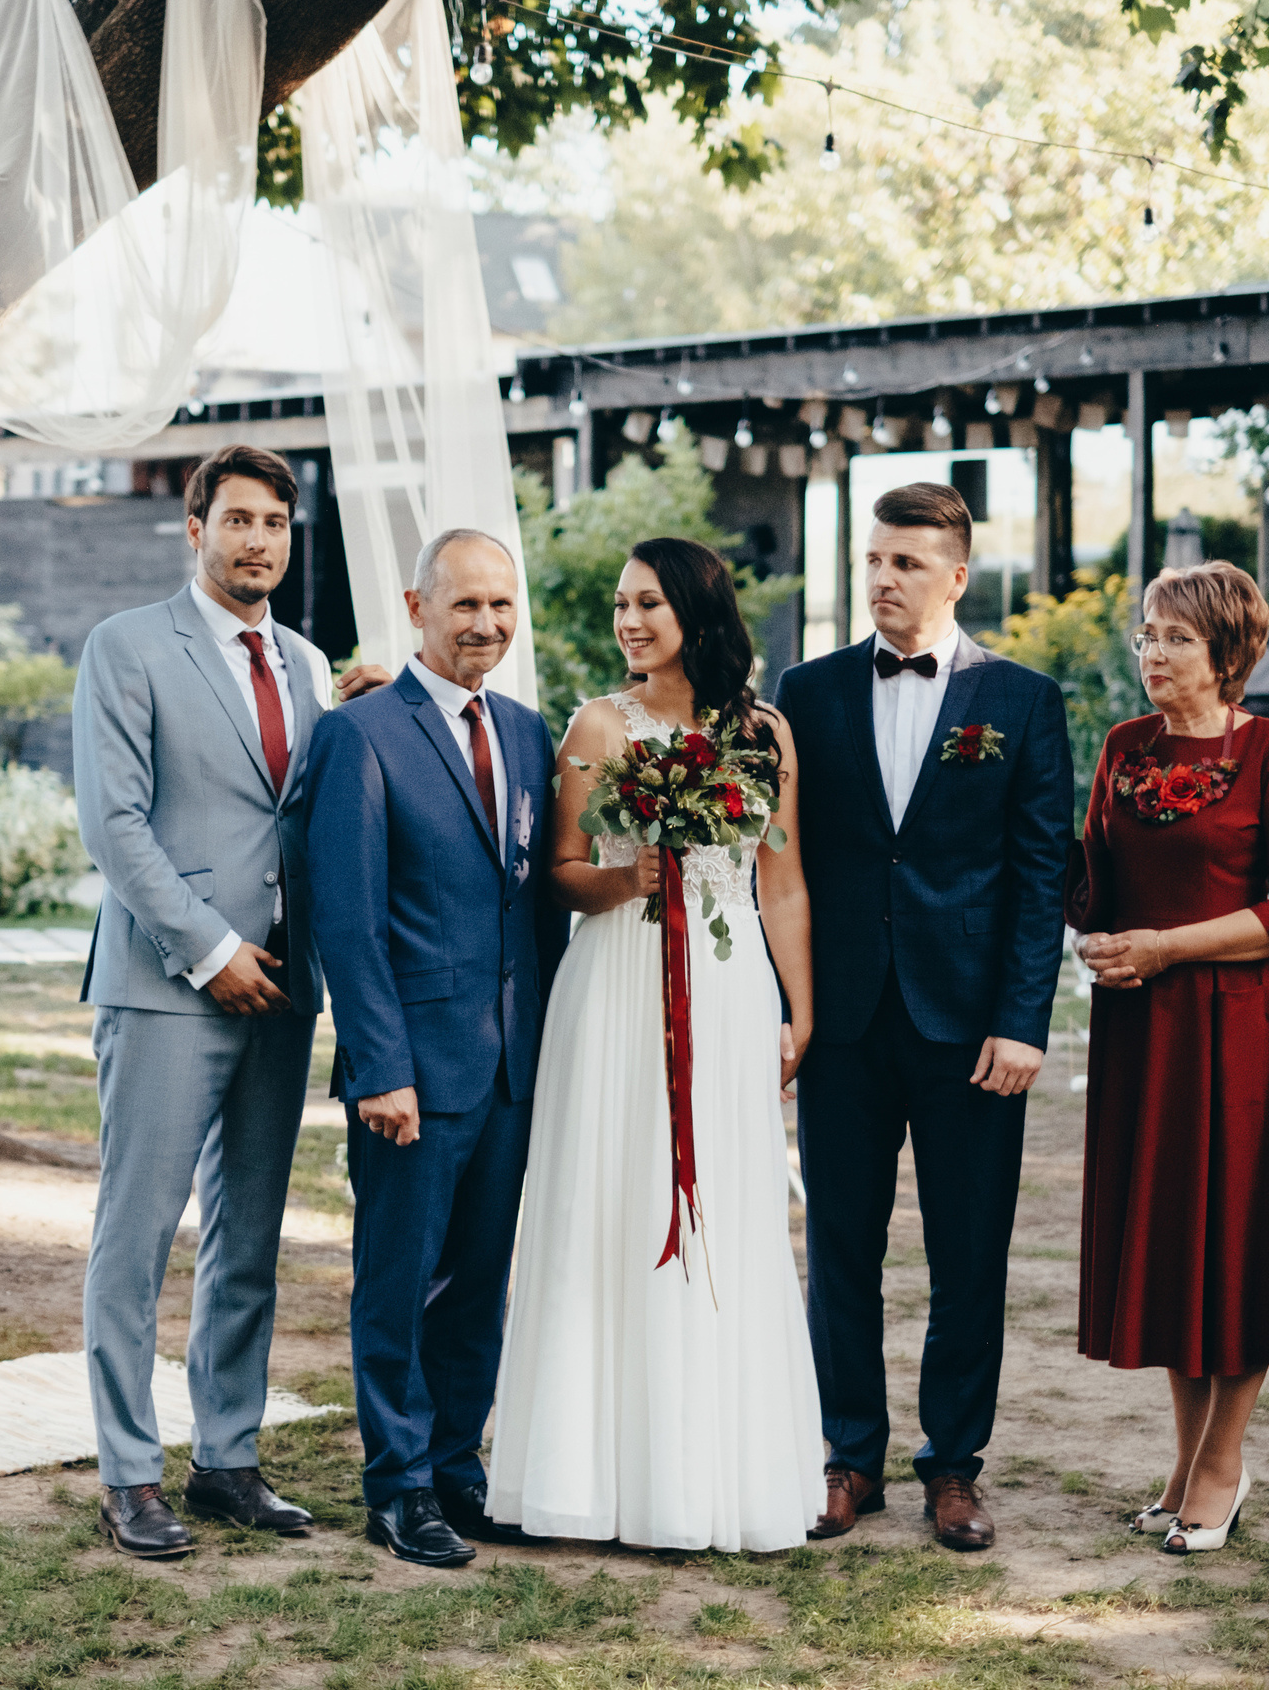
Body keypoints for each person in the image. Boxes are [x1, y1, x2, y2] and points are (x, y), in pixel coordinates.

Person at [70, 444, 382, 1559]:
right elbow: (114, 824)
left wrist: (363, 721)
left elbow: (299, 808)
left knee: (248, 1234)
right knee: (137, 1234)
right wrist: (209, 949)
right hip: (169, 985)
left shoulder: (308, 663)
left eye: (276, 524)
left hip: (284, 986)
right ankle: (128, 1475)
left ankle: (228, 1460)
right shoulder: (126, 647)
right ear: (195, 527)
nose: (258, 541)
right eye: (238, 519)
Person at [486, 537, 825, 1552]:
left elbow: (781, 883)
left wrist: (798, 1009)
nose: (628, 622)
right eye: (621, 604)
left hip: (725, 988)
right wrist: (623, 878)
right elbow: (558, 869)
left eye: (648, 604)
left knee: (726, 1202)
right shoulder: (599, 723)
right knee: (607, 1202)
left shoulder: (764, 731)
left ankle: (710, 1474)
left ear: (696, 612)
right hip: (618, 984)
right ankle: (588, 1475)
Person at [773, 481, 1070, 1550]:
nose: (883, 579)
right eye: (874, 560)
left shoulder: (1022, 701)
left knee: (970, 1251)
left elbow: (1040, 872)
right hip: (844, 1020)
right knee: (840, 1248)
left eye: (905, 563)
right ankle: (849, 1455)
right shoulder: (805, 692)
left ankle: (953, 1466)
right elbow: (781, 863)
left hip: (972, 1027)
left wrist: (1023, 1019)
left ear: (955, 576)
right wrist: (789, 1011)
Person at [299, 527, 571, 1569]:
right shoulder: (360, 735)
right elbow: (348, 919)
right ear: (417, 609)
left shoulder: (529, 732)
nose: (486, 624)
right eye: (465, 604)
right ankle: (398, 1485)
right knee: (398, 1282)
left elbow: (532, 908)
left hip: (509, 1066)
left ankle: (457, 1465)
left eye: (501, 605)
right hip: (410, 1069)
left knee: (479, 1281)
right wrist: (381, 1068)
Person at [1071, 559, 1269, 1555]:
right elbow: (1093, 886)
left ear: (1227, 654)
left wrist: (1166, 948)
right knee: (1175, 1245)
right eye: (1146, 633)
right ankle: (1185, 1465)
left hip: (1238, 1032)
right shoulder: (1121, 747)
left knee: (1239, 1245)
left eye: (1176, 637)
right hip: (1142, 1033)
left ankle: (1223, 1463)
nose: (1153, 651)